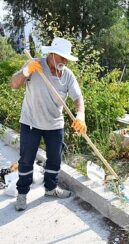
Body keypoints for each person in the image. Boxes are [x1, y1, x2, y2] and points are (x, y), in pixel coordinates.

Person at [10, 37, 87, 211]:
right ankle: (22, 194)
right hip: (31, 123)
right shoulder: (34, 64)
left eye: (67, 58)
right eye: (62, 57)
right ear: (52, 54)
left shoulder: (67, 74)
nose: (65, 61)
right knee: (26, 160)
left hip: (55, 124)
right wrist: (25, 72)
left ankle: (51, 189)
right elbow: (13, 84)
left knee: (55, 160)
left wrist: (80, 114)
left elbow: (77, 97)